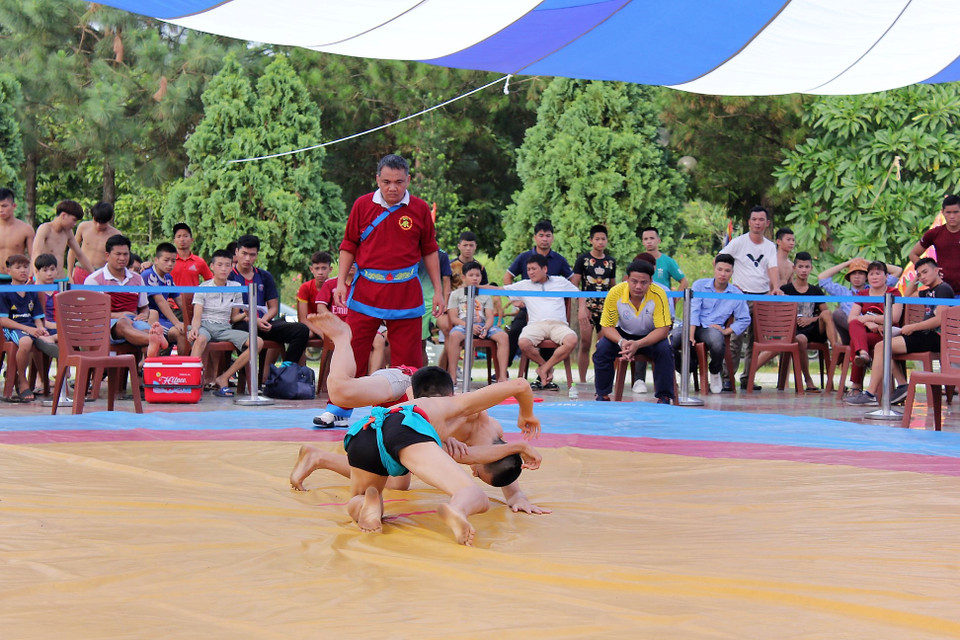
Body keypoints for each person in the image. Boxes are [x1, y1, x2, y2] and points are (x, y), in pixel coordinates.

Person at [299, 307, 543, 545]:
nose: (474, 472)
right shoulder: (470, 412)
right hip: (411, 385)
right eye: (478, 472)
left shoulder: (485, 442)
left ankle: (319, 459)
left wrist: (517, 495)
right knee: (341, 393)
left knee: (397, 480)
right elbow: (423, 406)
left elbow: (496, 459)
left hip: (384, 430)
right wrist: (525, 416)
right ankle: (342, 338)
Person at [333, 154, 444, 376]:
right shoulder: (362, 205)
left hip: (406, 292)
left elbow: (430, 251)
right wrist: (340, 282)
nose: (392, 188)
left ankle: (402, 410)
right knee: (353, 351)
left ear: (408, 180)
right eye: (386, 182)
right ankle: (339, 409)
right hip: (366, 290)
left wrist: (438, 291)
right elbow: (349, 245)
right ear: (377, 180)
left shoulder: (420, 208)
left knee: (408, 360)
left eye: (399, 182)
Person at [847, 258, 954, 406]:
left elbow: (939, 320)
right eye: (919, 274)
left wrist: (913, 327)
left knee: (882, 346)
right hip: (924, 334)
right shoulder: (929, 291)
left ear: (936, 271)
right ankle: (900, 386)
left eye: (925, 272)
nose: (922, 276)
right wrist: (916, 279)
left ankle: (871, 393)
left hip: (935, 337)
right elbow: (908, 297)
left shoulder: (942, 289)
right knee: (882, 347)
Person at [592, 259, 674, 404]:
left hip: (650, 337)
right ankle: (602, 395)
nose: (638, 286)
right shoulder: (615, 292)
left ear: (651, 282)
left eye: (644, 282)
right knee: (602, 347)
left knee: (665, 350)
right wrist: (621, 341)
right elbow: (607, 326)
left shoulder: (659, 294)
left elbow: (663, 329)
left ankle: (664, 397)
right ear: (627, 279)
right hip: (623, 335)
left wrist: (638, 344)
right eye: (634, 281)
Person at [720, 205, 782, 392]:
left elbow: (772, 268)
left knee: (756, 342)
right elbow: (720, 260)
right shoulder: (738, 242)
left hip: (762, 297)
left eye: (761, 219)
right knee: (734, 339)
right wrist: (731, 284)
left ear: (767, 223)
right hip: (740, 297)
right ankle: (727, 377)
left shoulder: (770, 246)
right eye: (754, 219)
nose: (757, 223)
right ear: (749, 222)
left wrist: (776, 287)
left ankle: (748, 378)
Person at [671, 253, 750, 394]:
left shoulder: (736, 293)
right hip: (691, 325)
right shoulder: (700, 285)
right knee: (673, 340)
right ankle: (687, 369)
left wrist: (726, 331)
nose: (723, 274)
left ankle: (714, 372)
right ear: (714, 268)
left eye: (727, 271)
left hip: (712, 328)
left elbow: (745, 319)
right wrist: (691, 335)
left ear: (732, 272)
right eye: (720, 269)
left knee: (717, 340)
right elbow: (693, 311)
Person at [188, 249, 263, 397]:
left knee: (258, 342)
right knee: (200, 338)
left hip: (224, 328)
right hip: (205, 326)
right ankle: (190, 382)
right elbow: (197, 314)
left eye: (227, 265)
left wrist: (245, 315)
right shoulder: (204, 287)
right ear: (212, 266)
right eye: (220, 265)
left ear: (231, 267)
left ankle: (224, 377)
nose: (223, 268)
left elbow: (234, 318)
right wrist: (195, 329)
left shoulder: (235, 286)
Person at [229, 234, 310, 368]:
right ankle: (246, 377)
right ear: (236, 252)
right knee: (242, 329)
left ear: (257, 255)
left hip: (265, 324)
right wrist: (254, 321)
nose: (248, 258)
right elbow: (230, 314)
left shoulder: (264, 276)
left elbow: (273, 308)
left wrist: (263, 321)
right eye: (244, 253)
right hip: (241, 325)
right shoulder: (229, 277)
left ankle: (285, 370)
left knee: (301, 330)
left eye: (252, 254)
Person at [502, 254, 579, 390]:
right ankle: (546, 367)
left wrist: (583, 309)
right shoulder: (524, 285)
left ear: (544, 269)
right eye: (528, 269)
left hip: (558, 324)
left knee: (572, 340)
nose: (530, 272)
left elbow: (579, 294)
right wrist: (475, 286)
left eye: (533, 269)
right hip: (535, 325)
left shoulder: (560, 281)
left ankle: (544, 369)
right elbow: (500, 290)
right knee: (523, 342)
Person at [83, 234, 166, 358]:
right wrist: (119, 315)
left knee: (146, 335)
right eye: (118, 254)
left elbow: (144, 307)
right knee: (123, 323)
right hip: (105, 326)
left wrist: (144, 314)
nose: (122, 258)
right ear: (107, 255)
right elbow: (92, 314)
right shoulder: (94, 280)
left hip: (134, 322)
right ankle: (156, 340)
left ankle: (148, 375)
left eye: (125, 254)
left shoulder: (137, 278)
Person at [503, 219, 574, 364]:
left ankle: (543, 377)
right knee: (515, 330)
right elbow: (507, 278)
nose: (544, 239)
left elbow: (573, 282)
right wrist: (515, 301)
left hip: (552, 311)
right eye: (541, 235)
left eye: (548, 235)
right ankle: (505, 369)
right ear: (535, 237)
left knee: (550, 336)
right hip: (528, 307)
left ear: (552, 238)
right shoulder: (524, 257)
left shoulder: (559, 260)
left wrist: (566, 300)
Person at [843, 260, 903, 402]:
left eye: (878, 273)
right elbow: (851, 318)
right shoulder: (862, 294)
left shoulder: (894, 292)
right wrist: (870, 323)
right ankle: (863, 353)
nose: (875, 277)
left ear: (886, 276)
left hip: (886, 335)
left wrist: (872, 320)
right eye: (871, 274)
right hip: (868, 334)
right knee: (855, 325)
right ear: (868, 277)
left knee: (855, 341)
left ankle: (856, 386)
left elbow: (894, 318)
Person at [0, 254, 57, 402]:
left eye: (25, 267)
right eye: (18, 267)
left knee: (53, 339)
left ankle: (47, 381)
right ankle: (22, 381)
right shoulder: (4, 291)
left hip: (31, 328)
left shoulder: (32, 291)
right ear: (8, 271)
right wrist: (30, 330)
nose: (23, 271)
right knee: (25, 341)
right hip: (12, 329)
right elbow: (3, 320)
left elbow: (38, 317)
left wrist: (40, 328)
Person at [780, 251, 838, 392]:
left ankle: (836, 350)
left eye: (807, 267)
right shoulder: (785, 290)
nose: (804, 270)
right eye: (800, 266)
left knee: (826, 313)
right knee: (800, 339)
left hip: (814, 328)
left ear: (811, 268)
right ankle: (808, 381)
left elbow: (824, 313)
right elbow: (780, 314)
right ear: (794, 268)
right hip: (795, 329)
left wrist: (810, 319)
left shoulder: (816, 290)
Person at [445, 261, 508, 386]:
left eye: (478, 275)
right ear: (463, 277)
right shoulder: (456, 294)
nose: (475, 278)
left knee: (503, 336)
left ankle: (502, 376)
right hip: (463, 326)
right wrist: (469, 326)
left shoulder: (485, 295)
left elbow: (490, 317)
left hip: (483, 326)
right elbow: (453, 318)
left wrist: (486, 327)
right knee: (454, 336)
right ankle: (453, 375)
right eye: (471, 275)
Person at [817, 257, 902, 345]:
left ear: (866, 276)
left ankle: (861, 352)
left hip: (876, 328)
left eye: (861, 273)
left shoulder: (876, 288)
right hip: (854, 328)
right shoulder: (843, 292)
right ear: (849, 277)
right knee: (838, 314)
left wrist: (868, 263)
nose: (857, 276)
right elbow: (822, 277)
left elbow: (898, 270)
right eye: (853, 273)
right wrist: (847, 263)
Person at [570, 225, 616, 385]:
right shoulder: (582, 260)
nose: (600, 242)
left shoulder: (611, 262)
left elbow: (613, 287)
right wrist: (582, 307)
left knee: (603, 345)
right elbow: (574, 285)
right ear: (591, 240)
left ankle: (601, 380)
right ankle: (582, 381)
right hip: (587, 308)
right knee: (585, 343)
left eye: (603, 239)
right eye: (597, 239)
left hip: (606, 309)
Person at [140, 242, 189, 355]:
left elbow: (179, 300)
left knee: (188, 331)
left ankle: (184, 367)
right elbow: (160, 301)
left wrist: (192, 321)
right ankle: (181, 367)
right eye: (166, 260)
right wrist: (177, 323)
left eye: (173, 260)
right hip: (151, 320)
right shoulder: (149, 275)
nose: (170, 264)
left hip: (164, 320)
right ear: (156, 260)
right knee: (180, 332)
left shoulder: (168, 277)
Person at [907, 194, 960, 296]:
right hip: (942, 291)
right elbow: (913, 254)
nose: (952, 216)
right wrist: (926, 271)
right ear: (942, 212)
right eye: (948, 212)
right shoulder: (934, 233)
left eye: (956, 212)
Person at [30, 200, 94, 279]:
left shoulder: (68, 232)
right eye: (74, 220)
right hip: (44, 280)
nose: (74, 224)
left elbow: (79, 254)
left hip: (60, 279)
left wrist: (94, 275)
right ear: (63, 215)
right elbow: (36, 253)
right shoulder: (45, 228)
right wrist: (37, 277)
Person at [170, 222, 214, 327]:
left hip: (194, 306)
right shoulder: (169, 261)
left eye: (185, 236)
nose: (182, 239)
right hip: (173, 306)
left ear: (191, 240)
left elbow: (211, 281)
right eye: (179, 236)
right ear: (174, 240)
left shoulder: (199, 261)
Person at [69, 202, 120, 284]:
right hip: (81, 270)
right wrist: (69, 274)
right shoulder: (83, 227)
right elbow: (72, 251)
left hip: (101, 274)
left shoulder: (115, 234)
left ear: (109, 219)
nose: (98, 225)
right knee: (78, 296)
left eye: (102, 223)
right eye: (96, 221)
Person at [0, 188, 35, 283]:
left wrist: (31, 275)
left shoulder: (26, 229)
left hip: (17, 279)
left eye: (4, 206)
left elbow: (34, 255)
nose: (1, 210)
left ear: (14, 206)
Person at [296, 251, 333, 336]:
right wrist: (321, 334)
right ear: (311, 269)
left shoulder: (335, 287)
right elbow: (303, 319)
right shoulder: (305, 287)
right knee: (306, 333)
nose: (320, 272)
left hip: (330, 326)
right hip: (310, 326)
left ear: (330, 269)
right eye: (317, 268)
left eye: (324, 268)